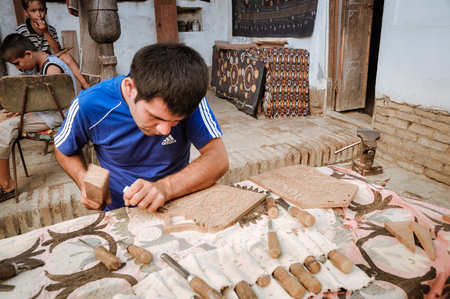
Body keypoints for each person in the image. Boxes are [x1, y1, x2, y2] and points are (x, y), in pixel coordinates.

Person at [54, 43, 229, 213]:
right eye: (156, 117)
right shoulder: (89, 104)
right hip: (120, 210)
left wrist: (166, 188)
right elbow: (63, 149)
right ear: (131, 88)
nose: (165, 130)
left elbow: (218, 158)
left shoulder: (190, 102)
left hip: (178, 202)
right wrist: (83, 180)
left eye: (176, 121)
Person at [0, 33, 77, 202]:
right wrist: (18, 109)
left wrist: (23, 110)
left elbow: (54, 103)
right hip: (46, 112)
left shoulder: (52, 68)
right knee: (4, 120)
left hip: (57, 115)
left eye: (17, 64)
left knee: (4, 128)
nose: (19, 68)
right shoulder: (42, 64)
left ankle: (6, 185)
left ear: (28, 54)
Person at [16, 0, 90, 89]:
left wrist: (46, 32)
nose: (38, 14)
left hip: (47, 61)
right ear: (26, 12)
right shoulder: (21, 31)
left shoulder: (50, 29)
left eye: (41, 10)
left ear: (46, 10)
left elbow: (57, 51)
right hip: (32, 66)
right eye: (33, 11)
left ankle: (86, 86)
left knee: (67, 57)